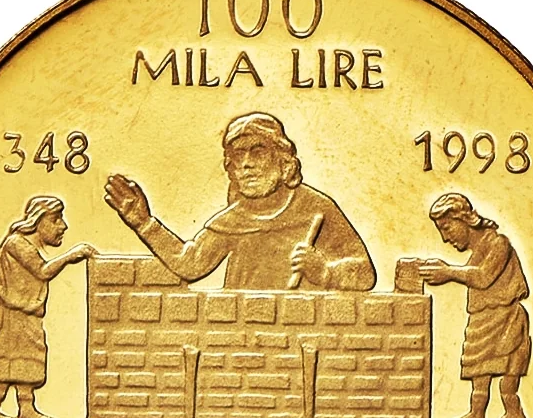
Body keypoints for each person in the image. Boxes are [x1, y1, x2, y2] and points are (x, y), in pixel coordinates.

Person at [103, 112, 376, 290]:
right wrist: (144, 223)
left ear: (282, 160)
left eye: (257, 152)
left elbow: (365, 275)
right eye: (238, 155)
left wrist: (326, 272)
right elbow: (191, 264)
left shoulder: (316, 209)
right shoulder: (234, 219)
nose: (246, 164)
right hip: (242, 332)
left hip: (303, 330)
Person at [0, 196, 95, 418]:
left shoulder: (25, 246)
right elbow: (42, 270)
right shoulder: (15, 243)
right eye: (56, 219)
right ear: (38, 221)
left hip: (26, 314)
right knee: (4, 361)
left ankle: (26, 408)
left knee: (29, 358)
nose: (63, 226)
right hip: (8, 315)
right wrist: (71, 255)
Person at [420, 193, 530, 418]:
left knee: (508, 370)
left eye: (446, 228)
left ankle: (514, 414)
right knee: (478, 368)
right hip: (482, 318)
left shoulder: (498, 244)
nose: (445, 238)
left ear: (464, 220)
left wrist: (449, 272)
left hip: (505, 317)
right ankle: (476, 415)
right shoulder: (476, 254)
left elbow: (483, 277)